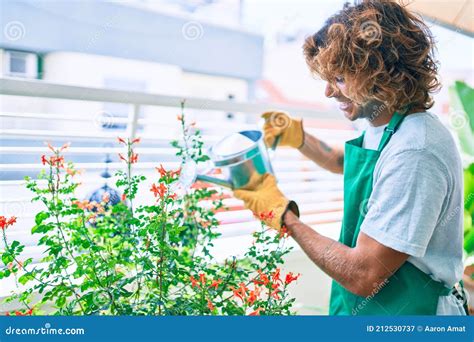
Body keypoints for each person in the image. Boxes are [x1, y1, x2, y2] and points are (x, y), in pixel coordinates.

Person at [233, 0, 467, 315]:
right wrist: (299, 138)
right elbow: (344, 162)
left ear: (384, 74)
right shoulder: (386, 125)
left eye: (340, 78)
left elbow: (364, 274)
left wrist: (283, 215)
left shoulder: (416, 150)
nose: (329, 92)